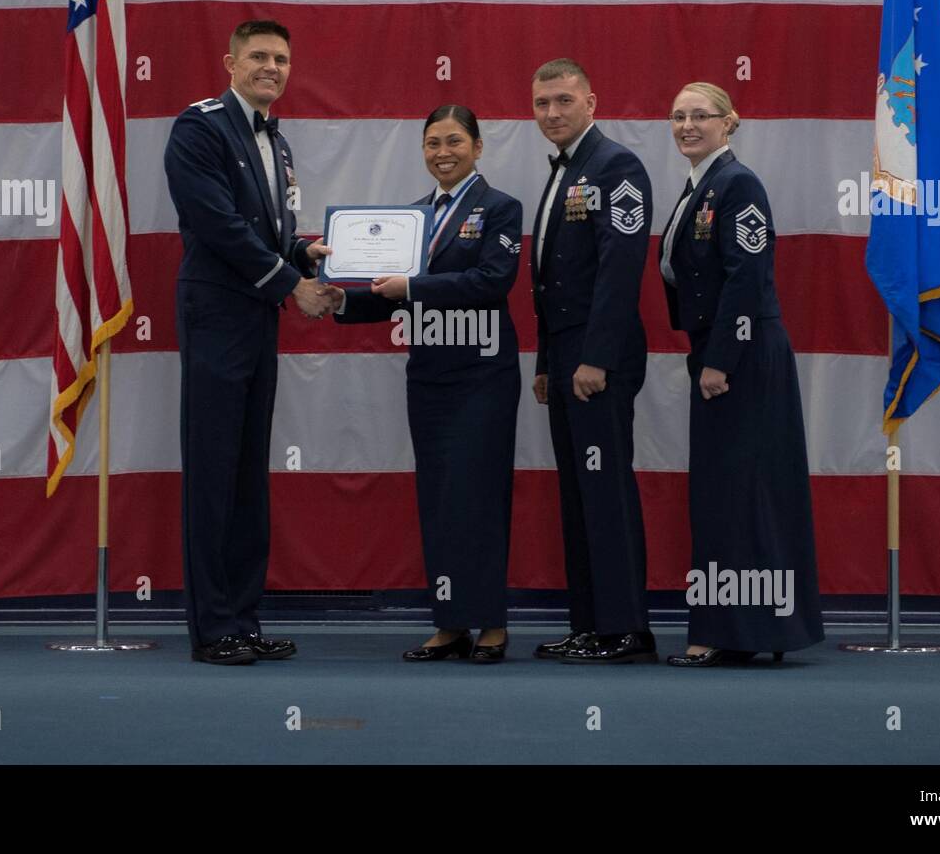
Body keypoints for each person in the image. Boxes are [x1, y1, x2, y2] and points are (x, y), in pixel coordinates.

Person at [164, 19, 340, 666]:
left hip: (257, 316)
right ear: (230, 62)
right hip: (216, 314)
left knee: (246, 478)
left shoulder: (279, 141)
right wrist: (290, 283)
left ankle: (242, 618)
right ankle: (213, 629)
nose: (272, 67)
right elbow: (216, 225)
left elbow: (267, 231)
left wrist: (307, 251)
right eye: (260, 56)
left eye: (282, 59)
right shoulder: (200, 127)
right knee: (214, 474)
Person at [335, 105, 522, 662]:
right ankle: (449, 623)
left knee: (479, 498)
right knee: (439, 500)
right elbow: (386, 291)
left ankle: (491, 624)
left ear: (479, 146)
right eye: (432, 143)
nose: (442, 152)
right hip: (430, 377)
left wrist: (412, 287)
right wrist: (340, 297)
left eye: (454, 141)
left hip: (483, 375)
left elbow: (492, 281)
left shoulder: (501, 208)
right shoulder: (411, 217)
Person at [657, 82, 825, 666]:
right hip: (719, 350)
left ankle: (736, 631)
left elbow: (746, 277)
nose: (686, 125)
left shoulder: (737, 183)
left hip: (743, 356)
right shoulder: (700, 185)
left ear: (731, 122)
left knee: (744, 492)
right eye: (677, 116)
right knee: (724, 493)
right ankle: (741, 630)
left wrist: (720, 360)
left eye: (700, 115)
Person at [528, 59, 657, 663]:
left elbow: (619, 269)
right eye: (541, 103)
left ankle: (627, 629)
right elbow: (553, 280)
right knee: (579, 494)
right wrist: (547, 362)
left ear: (591, 102)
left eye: (562, 100)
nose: (551, 113)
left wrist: (595, 358)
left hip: (599, 359)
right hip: (569, 356)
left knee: (605, 490)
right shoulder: (564, 169)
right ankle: (589, 624)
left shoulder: (616, 167)